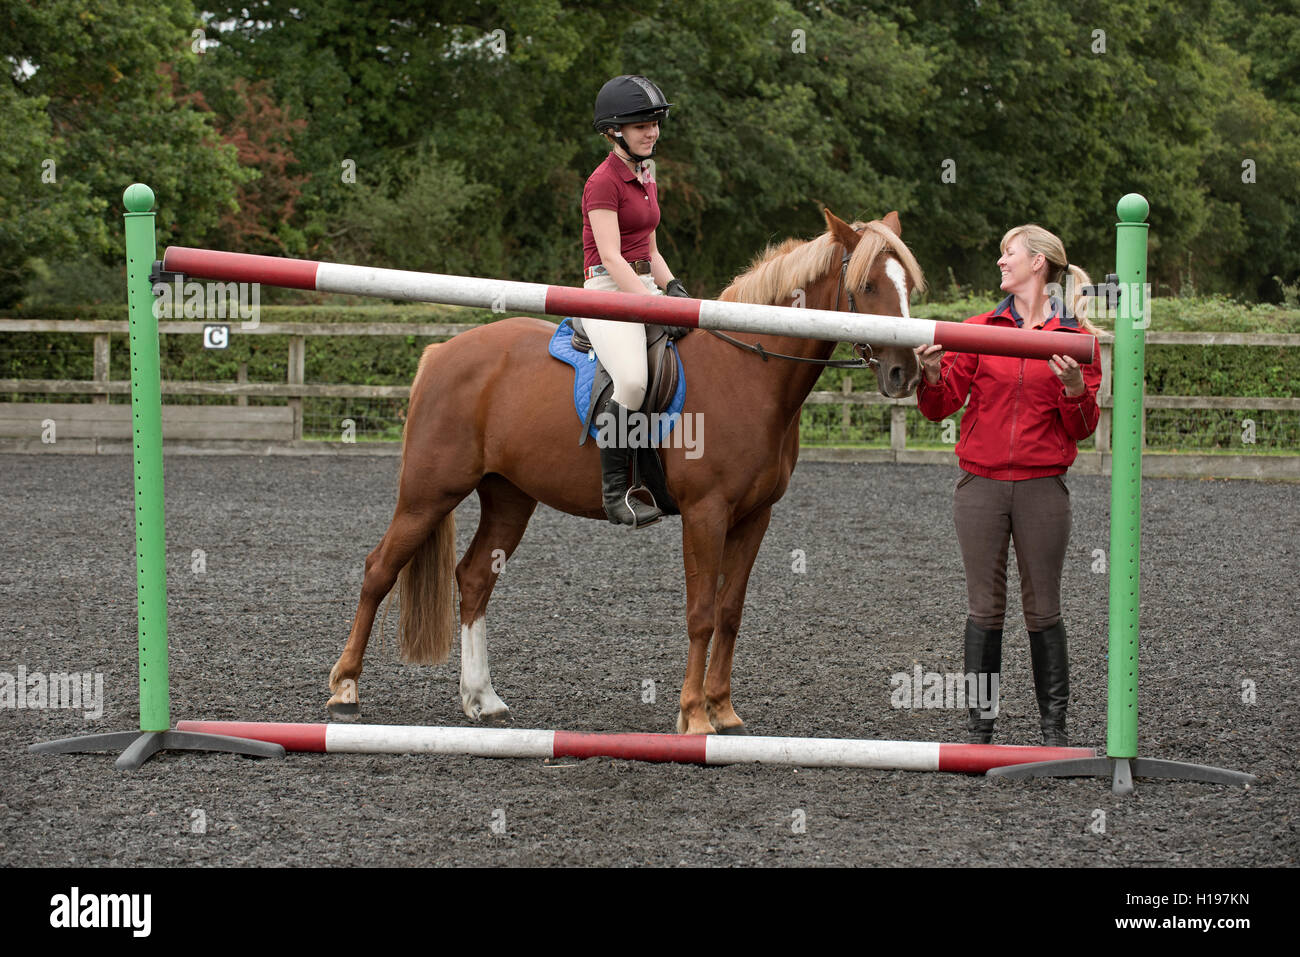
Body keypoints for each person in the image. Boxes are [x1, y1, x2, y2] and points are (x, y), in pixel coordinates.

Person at [914, 225, 1103, 746]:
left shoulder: (1076, 341)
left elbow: (1083, 428)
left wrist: (1071, 390)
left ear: (1038, 263)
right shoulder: (977, 330)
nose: (1001, 262)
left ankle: (1054, 730)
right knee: (984, 608)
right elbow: (940, 406)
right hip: (981, 486)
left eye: (1008, 253)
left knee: (1044, 608)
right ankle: (979, 731)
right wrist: (930, 376)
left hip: (1044, 488)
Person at [582, 74, 690, 529]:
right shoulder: (602, 182)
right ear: (614, 132)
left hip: (642, 285)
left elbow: (649, 248)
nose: (652, 132)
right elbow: (610, 256)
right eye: (641, 125)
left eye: (654, 123)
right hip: (607, 291)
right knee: (630, 381)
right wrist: (650, 303)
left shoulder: (646, 175)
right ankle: (616, 494)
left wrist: (672, 288)